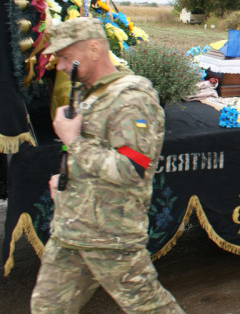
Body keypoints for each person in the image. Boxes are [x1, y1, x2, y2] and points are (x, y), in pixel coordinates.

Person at [31, 17, 185, 314]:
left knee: (152, 309)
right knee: (46, 307)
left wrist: (74, 141)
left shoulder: (131, 100)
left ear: (93, 49)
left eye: (65, 57)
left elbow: (131, 169)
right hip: (72, 231)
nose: (60, 66)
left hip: (111, 236)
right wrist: (67, 179)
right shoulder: (87, 91)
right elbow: (92, 154)